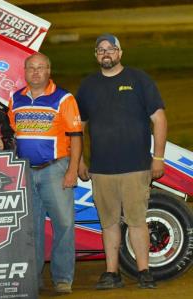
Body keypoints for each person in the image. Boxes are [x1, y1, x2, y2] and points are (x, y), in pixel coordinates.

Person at [76, 34, 167, 290]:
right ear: (96, 55)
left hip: (136, 166)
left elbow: (159, 119)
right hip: (102, 170)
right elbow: (78, 127)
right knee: (109, 223)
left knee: (138, 221)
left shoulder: (138, 79)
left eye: (111, 49)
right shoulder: (88, 86)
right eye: (101, 50)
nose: (106, 53)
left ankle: (144, 271)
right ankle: (111, 273)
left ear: (120, 53)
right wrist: (79, 160)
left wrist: (158, 158)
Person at [8, 53, 82, 294]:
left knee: (64, 224)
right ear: (25, 71)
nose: (36, 72)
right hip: (26, 171)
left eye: (41, 68)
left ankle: (62, 278)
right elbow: (10, 134)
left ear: (49, 70)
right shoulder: (15, 98)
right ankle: (34, 277)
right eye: (31, 68)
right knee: (31, 228)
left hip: (55, 169)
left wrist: (72, 170)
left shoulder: (63, 98)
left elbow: (76, 136)